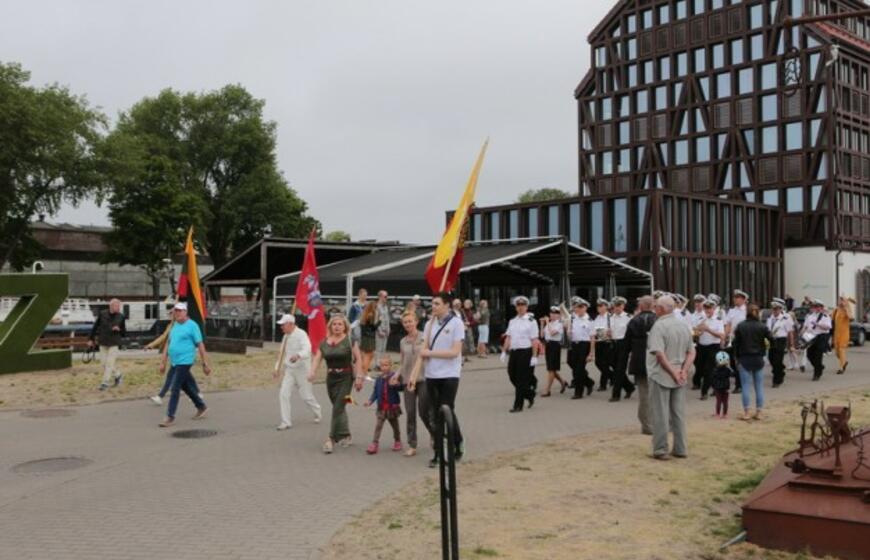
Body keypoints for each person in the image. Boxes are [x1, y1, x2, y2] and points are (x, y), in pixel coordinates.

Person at [409, 292, 465, 468]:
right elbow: (423, 349)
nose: (433, 307)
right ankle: (439, 452)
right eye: (432, 304)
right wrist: (413, 374)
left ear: (447, 305)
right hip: (432, 375)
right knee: (435, 413)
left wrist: (429, 354)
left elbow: (454, 352)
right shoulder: (429, 324)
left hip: (449, 374)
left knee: (446, 409)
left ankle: (457, 442)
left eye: (437, 304)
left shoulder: (457, 323)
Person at [646, 295, 695, 460]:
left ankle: (660, 449)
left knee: (660, 413)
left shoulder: (659, 327)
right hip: (679, 373)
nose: (654, 309)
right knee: (678, 413)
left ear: (660, 309)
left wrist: (674, 372)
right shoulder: (683, 326)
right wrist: (683, 370)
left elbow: (659, 354)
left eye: (656, 307)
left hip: (662, 374)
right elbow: (692, 352)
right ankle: (681, 448)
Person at [309, 314, 364, 454]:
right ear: (330, 326)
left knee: (338, 408)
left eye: (340, 324)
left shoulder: (350, 340)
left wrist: (359, 376)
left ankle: (331, 439)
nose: (337, 326)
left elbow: (358, 358)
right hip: (331, 378)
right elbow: (317, 358)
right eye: (334, 324)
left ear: (345, 326)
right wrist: (312, 372)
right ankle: (346, 434)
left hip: (346, 377)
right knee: (338, 407)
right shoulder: (324, 342)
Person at [158, 302, 210, 427]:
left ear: (185, 312)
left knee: (175, 387)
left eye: (180, 311)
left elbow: (200, 345)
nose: (177, 313)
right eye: (175, 311)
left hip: (185, 361)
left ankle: (170, 416)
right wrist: (163, 362)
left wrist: (205, 363)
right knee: (185, 386)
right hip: (174, 362)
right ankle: (201, 406)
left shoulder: (192, 326)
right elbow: (168, 344)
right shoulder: (174, 325)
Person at [274, 314, 321, 430]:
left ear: (290, 324)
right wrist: (276, 369)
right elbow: (281, 354)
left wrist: (298, 355)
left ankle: (317, 410)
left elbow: (307, 348)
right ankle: (286, 422)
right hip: (289, 370)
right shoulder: (285, 337)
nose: (281, 327)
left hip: (303, 370)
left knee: (306, 396)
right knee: (283, 394)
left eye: (283, 325)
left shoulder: (301, 334)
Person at [397, 311, 431, 457]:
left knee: (424, 412)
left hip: (423, 379)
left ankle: (434, 433)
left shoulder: (425, 337)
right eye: (405, 322)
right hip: (407, 381)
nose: (408, 324)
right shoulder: (403, 341)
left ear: (416, 321)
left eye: (410, 321)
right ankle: (412, 444)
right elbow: (402, 361)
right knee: (410, 413)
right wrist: (396, 374)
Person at [733, 304, 772, 421]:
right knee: (759, 386)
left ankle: (747, 412)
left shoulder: (740, 326)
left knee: (745, 386)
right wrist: (766, 351)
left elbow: (735, 344)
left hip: (744, 358)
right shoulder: (762, 326)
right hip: (758, 357)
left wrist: (736, 357)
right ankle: (759, 412)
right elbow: (772, 339)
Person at [501, 296, 540, 412]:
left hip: (526, 352)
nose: (520, 308)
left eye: (523, 305)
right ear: (516, 307)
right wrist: (504, 351)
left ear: (527, 307)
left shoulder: (532, 322)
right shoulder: (512, 321)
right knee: (512, 375)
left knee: (521, 379)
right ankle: (529, 394)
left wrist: (534, 356)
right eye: (518, 306)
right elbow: (508, 337)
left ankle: (518, 405)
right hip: (514, 352)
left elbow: (534, 340)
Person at [625, 296, 657, 434]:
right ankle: (660, 422)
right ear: (653, 306)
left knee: (644, 394)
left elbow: (626, 345)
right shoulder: (659, 320)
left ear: (641, 306)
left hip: (639, 361)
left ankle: (646, 425)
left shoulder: (633, 321)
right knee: (658, 393)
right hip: (657, 360)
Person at [364, 356, 403, 455]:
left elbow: (400, 387)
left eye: (386, 365)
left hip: (392, 407)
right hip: (381, 408)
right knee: (378, 426)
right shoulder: (379, 379)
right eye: (382, 365)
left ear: (391, 365)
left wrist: (396, 384)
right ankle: (374, 443)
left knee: (395, 426)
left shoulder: (394, 376)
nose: (384, 367)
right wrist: (370, 401)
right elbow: (375, 392)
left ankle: (397, 441)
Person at [89, 298, 127, 391]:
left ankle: (104, 383)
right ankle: (118, 375)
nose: (118, 308)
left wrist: (119, 329)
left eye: (119, 306)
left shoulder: (121, 316)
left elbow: (124, 333)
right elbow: (95, 327)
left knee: (109, 364)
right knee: (104, 364)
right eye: (117, 306)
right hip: (103, 342)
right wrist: (90, 339)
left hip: (114, 343)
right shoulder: (102, 314)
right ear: (111, 306)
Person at [694, 299, 725, 400]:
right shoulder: (701, 318)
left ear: (714, 308)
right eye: (706, 308)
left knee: (708, 370)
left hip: (713, 347)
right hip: (701, 346)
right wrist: (698, 330)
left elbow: (721, 335)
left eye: (710, 308)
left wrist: (708, 329)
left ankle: (704, 392)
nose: (708, 310)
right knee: (701, 368)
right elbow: (695, 333)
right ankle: (716, 387)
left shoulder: (718, 320)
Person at [567, 297, 596, 399]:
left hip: (584, 345)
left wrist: (591, 353)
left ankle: (578, 392)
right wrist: (569, 332)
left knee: (579, 369)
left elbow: (592, 338)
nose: (578, 309)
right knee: (571, 363)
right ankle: (588, 382)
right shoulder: (573, 318)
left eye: (581, 307)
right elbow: (570, 333)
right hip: (574, 345)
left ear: (585, 308)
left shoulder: (590, 321)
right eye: (577, 307)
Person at [608, 296, 634, 402]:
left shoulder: (628, 317)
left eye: (619, 305)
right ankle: (629, 387)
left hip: (624, 344)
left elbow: (632, 333)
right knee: (614, 366)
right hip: (613, 343)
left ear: (623, 306)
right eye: (615, 305)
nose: (617, 308)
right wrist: (607, 333)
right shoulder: (610, 317)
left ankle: (616, 394)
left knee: (620, 369)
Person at [766, 298, 795, 387]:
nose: (774, 310)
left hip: (780, 340)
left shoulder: (786, 318)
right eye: (773, 308)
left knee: (777, 360)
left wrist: (791, 345)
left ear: (781, 309)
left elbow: (790, 332)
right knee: (771, 359)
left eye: (776, 309)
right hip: (771, 341)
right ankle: (780, 370)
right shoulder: (770, 318)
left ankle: (777, 380)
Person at [724, 290, 748, 394]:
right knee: (732, 362)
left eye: (738, 297)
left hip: (744, 340)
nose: (735, 299)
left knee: (740, 362)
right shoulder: (731, 311)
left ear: (743, 299)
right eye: (734, 297)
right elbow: (728, 324)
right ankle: (741, 380)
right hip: (733, 339)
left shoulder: (747, 311)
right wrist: (724, 336)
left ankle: (739, 385)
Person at [540, 306, 568, 397]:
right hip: (548, 345)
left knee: (551, 369)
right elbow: (542, 335)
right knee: (551, 368)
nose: (552, 315)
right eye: (551, 313)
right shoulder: (550, 323)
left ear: (559, 315)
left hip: (555, 345)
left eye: (555, 313)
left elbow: (552, 333)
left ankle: (547, 390)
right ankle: (563, 382)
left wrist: (547, 322)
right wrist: (542, 324)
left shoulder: (559, 324)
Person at [802, 299, 832, 381]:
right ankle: (819, 367)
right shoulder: (810, 316)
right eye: (815, 306)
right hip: (811, 336)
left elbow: (828, 327)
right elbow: (805, 326)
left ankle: (817, 374)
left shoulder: (825, 316)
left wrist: (818, 324)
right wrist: (801, 335)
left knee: (818, 355)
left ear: (822, 308)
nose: (817, 308)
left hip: (821, 336)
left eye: (818, 306)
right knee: (809, 354)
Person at [592, 298, 613, 392]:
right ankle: (612, 376)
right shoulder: (597, 317)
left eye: (601, 306)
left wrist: (609, 332)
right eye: (598, 306)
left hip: (607, 342)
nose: (599, 308)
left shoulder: (610, 317)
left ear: (606, 307)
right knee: (598, 363)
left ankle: (603, 384)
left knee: (605, 363)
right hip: (598, 342)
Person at [832, 296, 853, 375]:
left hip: (844, 334)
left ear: (844, 301)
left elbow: (851, 317)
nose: (839, 302)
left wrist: (846, 307)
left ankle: (841, 368)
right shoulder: (836, 310)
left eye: (841, 300)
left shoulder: (847, 309)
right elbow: (831, 319)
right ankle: (844, 361)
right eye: (838, 300)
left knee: (841, 350)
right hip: (836, 334)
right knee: (837, 353)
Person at [711, 351, 734, 419]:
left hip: (718, 388)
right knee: (725, 401)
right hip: (726, 387)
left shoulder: (715, 370)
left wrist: (713, 386)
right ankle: (725, 414)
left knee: (718, 401)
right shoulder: (727, 370)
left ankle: (718, 414)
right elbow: (733, 374)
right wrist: (729, 367)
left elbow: (712, 378)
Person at [358, 301, 379, 373]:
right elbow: (372, 328)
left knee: (365, 354)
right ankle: (364, 371)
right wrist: (379, 322)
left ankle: (364, 370)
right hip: (369, 338)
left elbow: (364, 326)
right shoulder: (371, 315)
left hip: (364, 337)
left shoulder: (365, 314)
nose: (376, 308)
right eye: (375, 307)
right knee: (369, 355)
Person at [375, 290, 391, 365]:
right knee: (378, 348)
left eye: (387, 296)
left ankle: (381, 363)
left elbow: (387, 319)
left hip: (385, 329)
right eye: (385, 296)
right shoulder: (376, 306)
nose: (386, 298)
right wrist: (379, 331)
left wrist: (388, 329)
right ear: (380, 297)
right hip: (379, 330)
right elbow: (376, 320)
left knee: (383, 349)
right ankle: (377, 364)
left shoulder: (386, 306)